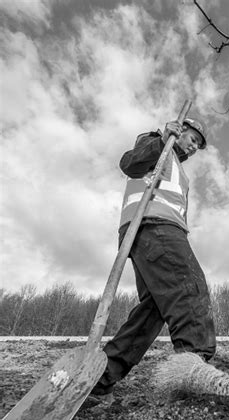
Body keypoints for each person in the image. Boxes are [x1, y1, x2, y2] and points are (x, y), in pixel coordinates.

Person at [91, 117, 216, 399]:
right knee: (189, 290)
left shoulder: (175, 163)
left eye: (198, 145)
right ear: (180, 131)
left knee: (154, 309)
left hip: (150, 231)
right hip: (154, 226)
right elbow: (128, 163)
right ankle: (194, 370)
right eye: (193, 139)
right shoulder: (157, 143)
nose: (194, 147)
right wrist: (161, 141)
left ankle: (101, 377)